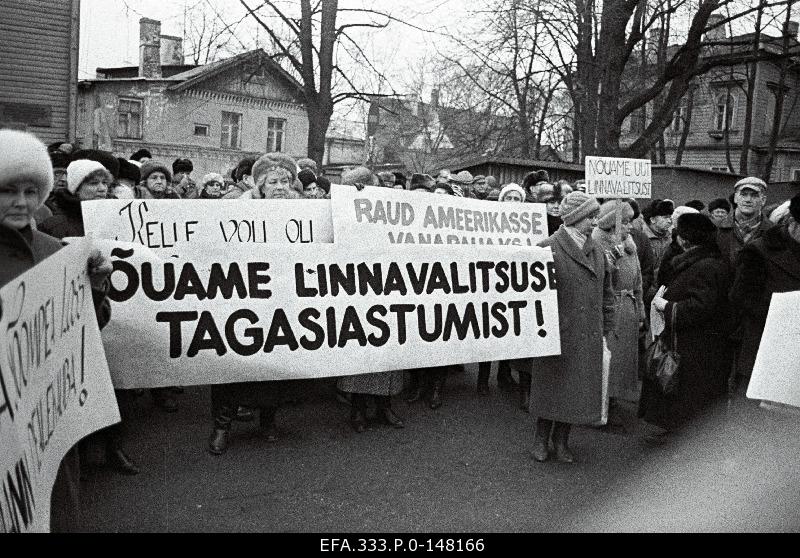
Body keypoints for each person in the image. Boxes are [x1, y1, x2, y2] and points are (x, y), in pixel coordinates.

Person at [0, 130, 115, 530]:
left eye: (32, 190)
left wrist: (96, 286)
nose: (21, 202)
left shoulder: (57, 251)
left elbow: (89, 328)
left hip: (50, 417)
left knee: (56, 507)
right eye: (7, 190)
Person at [209, 153, 308, 455]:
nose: (280, 187)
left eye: (286, 181)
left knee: (274, 366)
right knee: (232, 364)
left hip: (283, 298)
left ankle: (268, 421)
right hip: (241, 296)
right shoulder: (236, 211)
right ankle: (222, 426)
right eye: (273, 181)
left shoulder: (304, 214)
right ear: (261, 185)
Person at [515, 191, 615, 463]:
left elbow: (607, 292)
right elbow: (530, 296)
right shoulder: (546, 248)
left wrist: (607, 325)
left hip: (588, 334)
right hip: (557, 334)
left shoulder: (597, 252)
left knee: (577, 393)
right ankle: (540, 439)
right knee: (552, 390)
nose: (595, 222)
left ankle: (562, 441)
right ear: (574, 218)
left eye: (595, 216)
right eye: (590, 217)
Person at [639, 214, 733, 443]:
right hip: (695, 343)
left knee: (690, 391)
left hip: (698, 345)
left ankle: (687, 439)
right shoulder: (703, 262)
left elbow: (701, 306)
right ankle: (680, 432)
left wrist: (667, 306)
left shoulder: (706, 266)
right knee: (686, 392)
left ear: (685, 239)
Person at [335, 166, 406, 432]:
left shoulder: (388, 207)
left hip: (390, 285)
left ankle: (385, 406)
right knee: (360, 354)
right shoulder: (339, 209)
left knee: (389, 352)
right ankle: (357, 410)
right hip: (356, 289)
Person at [729, 193, 800, 394]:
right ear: (792, 222)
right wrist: (783, 312)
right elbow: (740, 296)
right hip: (764, 347)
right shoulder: (759, 251)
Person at [592, 201, 645, 416]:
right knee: (608, 360)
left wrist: (639, 308)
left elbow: (638, 279)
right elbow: (600, 276)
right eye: (624, 222)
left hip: (628, 307)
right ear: (610, 223)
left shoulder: (629, 244)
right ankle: (601, 405)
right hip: (611, 306)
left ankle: (613, 400)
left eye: (630, 222)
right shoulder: (596, 242)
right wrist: (613, 255)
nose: (629, 227)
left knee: (623, 361)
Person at [477, 181, 527, 403]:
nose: (513, 202)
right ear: (501, 200)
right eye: (509, 198)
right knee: (488, 335)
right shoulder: (487, 223)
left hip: (514, 287)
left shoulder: (528, 225)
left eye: (517, 199)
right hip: (491, 286)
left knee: (509, 333)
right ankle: (482, 379)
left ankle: (504, 375)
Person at [717, 177, 774, 274]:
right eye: (743, 195)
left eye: (754, 195)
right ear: (735, 198)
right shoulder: (717, 228)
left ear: (763, 200)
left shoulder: (773, 232)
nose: (748, 200)